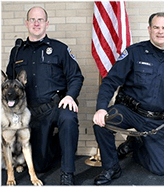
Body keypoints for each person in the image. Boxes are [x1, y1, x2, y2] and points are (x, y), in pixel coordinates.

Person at [92, 12, 164, 185]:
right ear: (149, 29)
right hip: (130, 111)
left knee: (160, 169)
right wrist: (101, 108)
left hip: (157, 120)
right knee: (102, 123)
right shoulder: (134, 53)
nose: (160, 32)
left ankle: (136, 144)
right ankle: (111, 168)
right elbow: (110, 81)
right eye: (156, 27)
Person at [6, 6, 84, 185]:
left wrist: (70, 96)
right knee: (40, 166)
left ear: (47, 24)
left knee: (68, 118)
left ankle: (67, 173)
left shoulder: (59, 49)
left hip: (56, 106)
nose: (36, 23)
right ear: (26, 23)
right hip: (31, 113)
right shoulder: (17, 52)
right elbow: (10, 84)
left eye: (40, 20)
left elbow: (76, 76)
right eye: (32, 19)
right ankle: (56, 145)